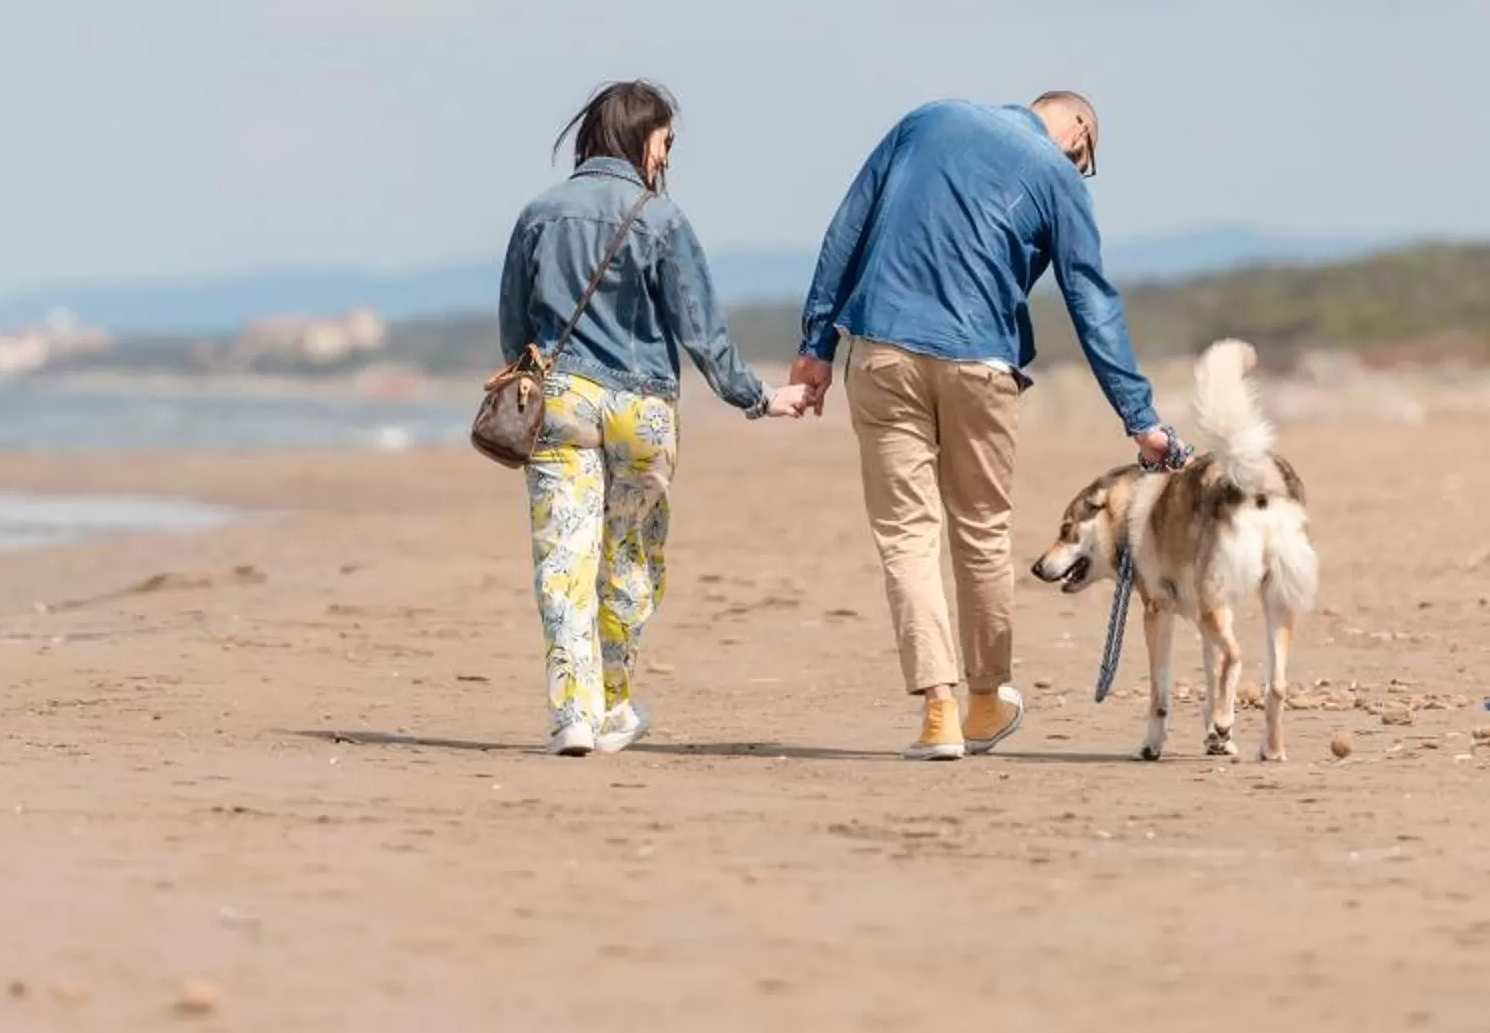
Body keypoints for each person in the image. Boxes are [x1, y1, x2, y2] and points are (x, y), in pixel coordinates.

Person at [783, 91, 1175, 760]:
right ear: (1078, 127)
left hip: (881, 350)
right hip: (982, 363)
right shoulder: (1056, 176)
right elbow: (1091, 300)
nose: (1081, 170)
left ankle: (939, 714)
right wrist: (1141, 421)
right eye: (1087, 159)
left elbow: (848, 228)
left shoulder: (927, 119)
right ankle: (986, 701)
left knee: (907, 534)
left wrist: (817, 345)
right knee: (981, 530)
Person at [496, 80, 781, 756]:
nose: (668, 156)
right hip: (644, 409)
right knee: (627, 558)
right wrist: (756, 396)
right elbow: (701, 331)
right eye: (668, 141)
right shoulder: (662, 218)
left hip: (561, 400)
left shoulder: (540, 213)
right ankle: (615, 705)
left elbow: (515, 326)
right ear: (645, 137)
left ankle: (572, 713)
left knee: (563, 559)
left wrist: (532, 381)